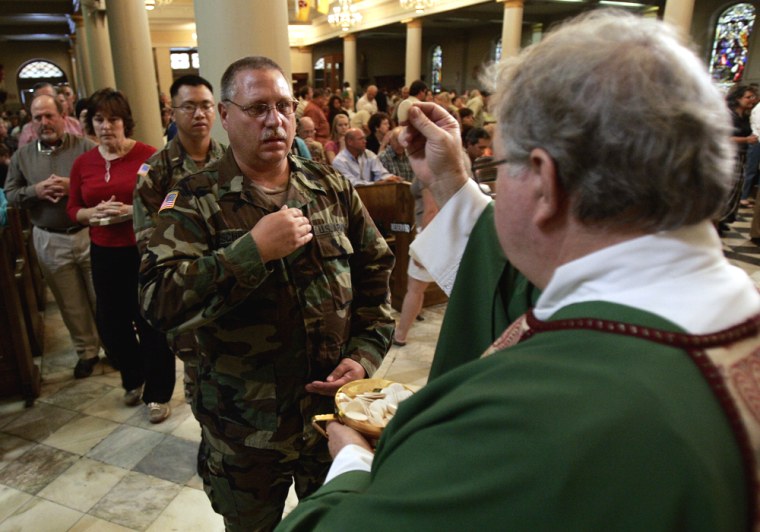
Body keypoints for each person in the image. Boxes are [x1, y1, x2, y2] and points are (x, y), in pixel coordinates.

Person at [278, 11, 760, 531]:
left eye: (498, 168)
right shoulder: (721, 318)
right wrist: (455, 180)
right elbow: (522, 276)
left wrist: (356, 467)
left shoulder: (540, 414)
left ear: (546, 183)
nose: (493, 186)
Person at [138, 56, 395, 531]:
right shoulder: (193, 200)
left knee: (334, 523)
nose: (274, 120)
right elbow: (158, 302)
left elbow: (376, 272)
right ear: (226, 115)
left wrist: (362, 356)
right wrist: (250, 251)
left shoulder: (329, 185)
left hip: (330, 418)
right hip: (245, 431)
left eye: (283, 106)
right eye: (257, 108)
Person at [66, 88, 175, 423]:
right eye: (99, 119)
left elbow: (170, 199)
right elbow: (73, 208)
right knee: (112, 324)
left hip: (141, 249)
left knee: (150, 320)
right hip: (103, 250)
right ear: (90, 124)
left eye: (113, 119)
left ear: (124, 121)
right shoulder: (83, 163)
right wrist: (91, 214)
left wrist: (134, 210)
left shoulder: (148, 155)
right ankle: (134, 376)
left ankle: (158, 394)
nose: (106, 126)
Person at [133, 74, 226, 410]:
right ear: (173, 112)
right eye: (189, 107)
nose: (199, 114)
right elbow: (147, 239)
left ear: (216, 111)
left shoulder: (231, 160)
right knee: (199, 371)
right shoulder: (155, 170)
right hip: (190, 286)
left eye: (205, 106)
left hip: (233, 279)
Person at [4, 93, 100, 378]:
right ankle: (87, 352)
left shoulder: (84, 147)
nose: (44, 122)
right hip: (49, 236)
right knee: (70, 302)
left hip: (87, 233)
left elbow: (101, 185)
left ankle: (114, 346)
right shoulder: (22, 156)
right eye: (38, 118)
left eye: (49, 116)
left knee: (101, 297)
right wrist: (35, 191)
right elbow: (10, 194)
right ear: (31, 122)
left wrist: (74, 187)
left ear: (62, 116)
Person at [18, 82, 83, 148]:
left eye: (49, 97)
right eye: (40, 98)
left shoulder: (74, 124)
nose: (45, 101)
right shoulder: (28, 130)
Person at [331, 128, 402, 186]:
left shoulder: (369, 154)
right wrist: (376, 184)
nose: (365, 141)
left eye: (364, 138)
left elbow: (381, 173)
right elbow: (351, 184)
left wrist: (391, 178)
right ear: (350, 142)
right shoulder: (339, 162)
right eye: (361, 139)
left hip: (372, 195)